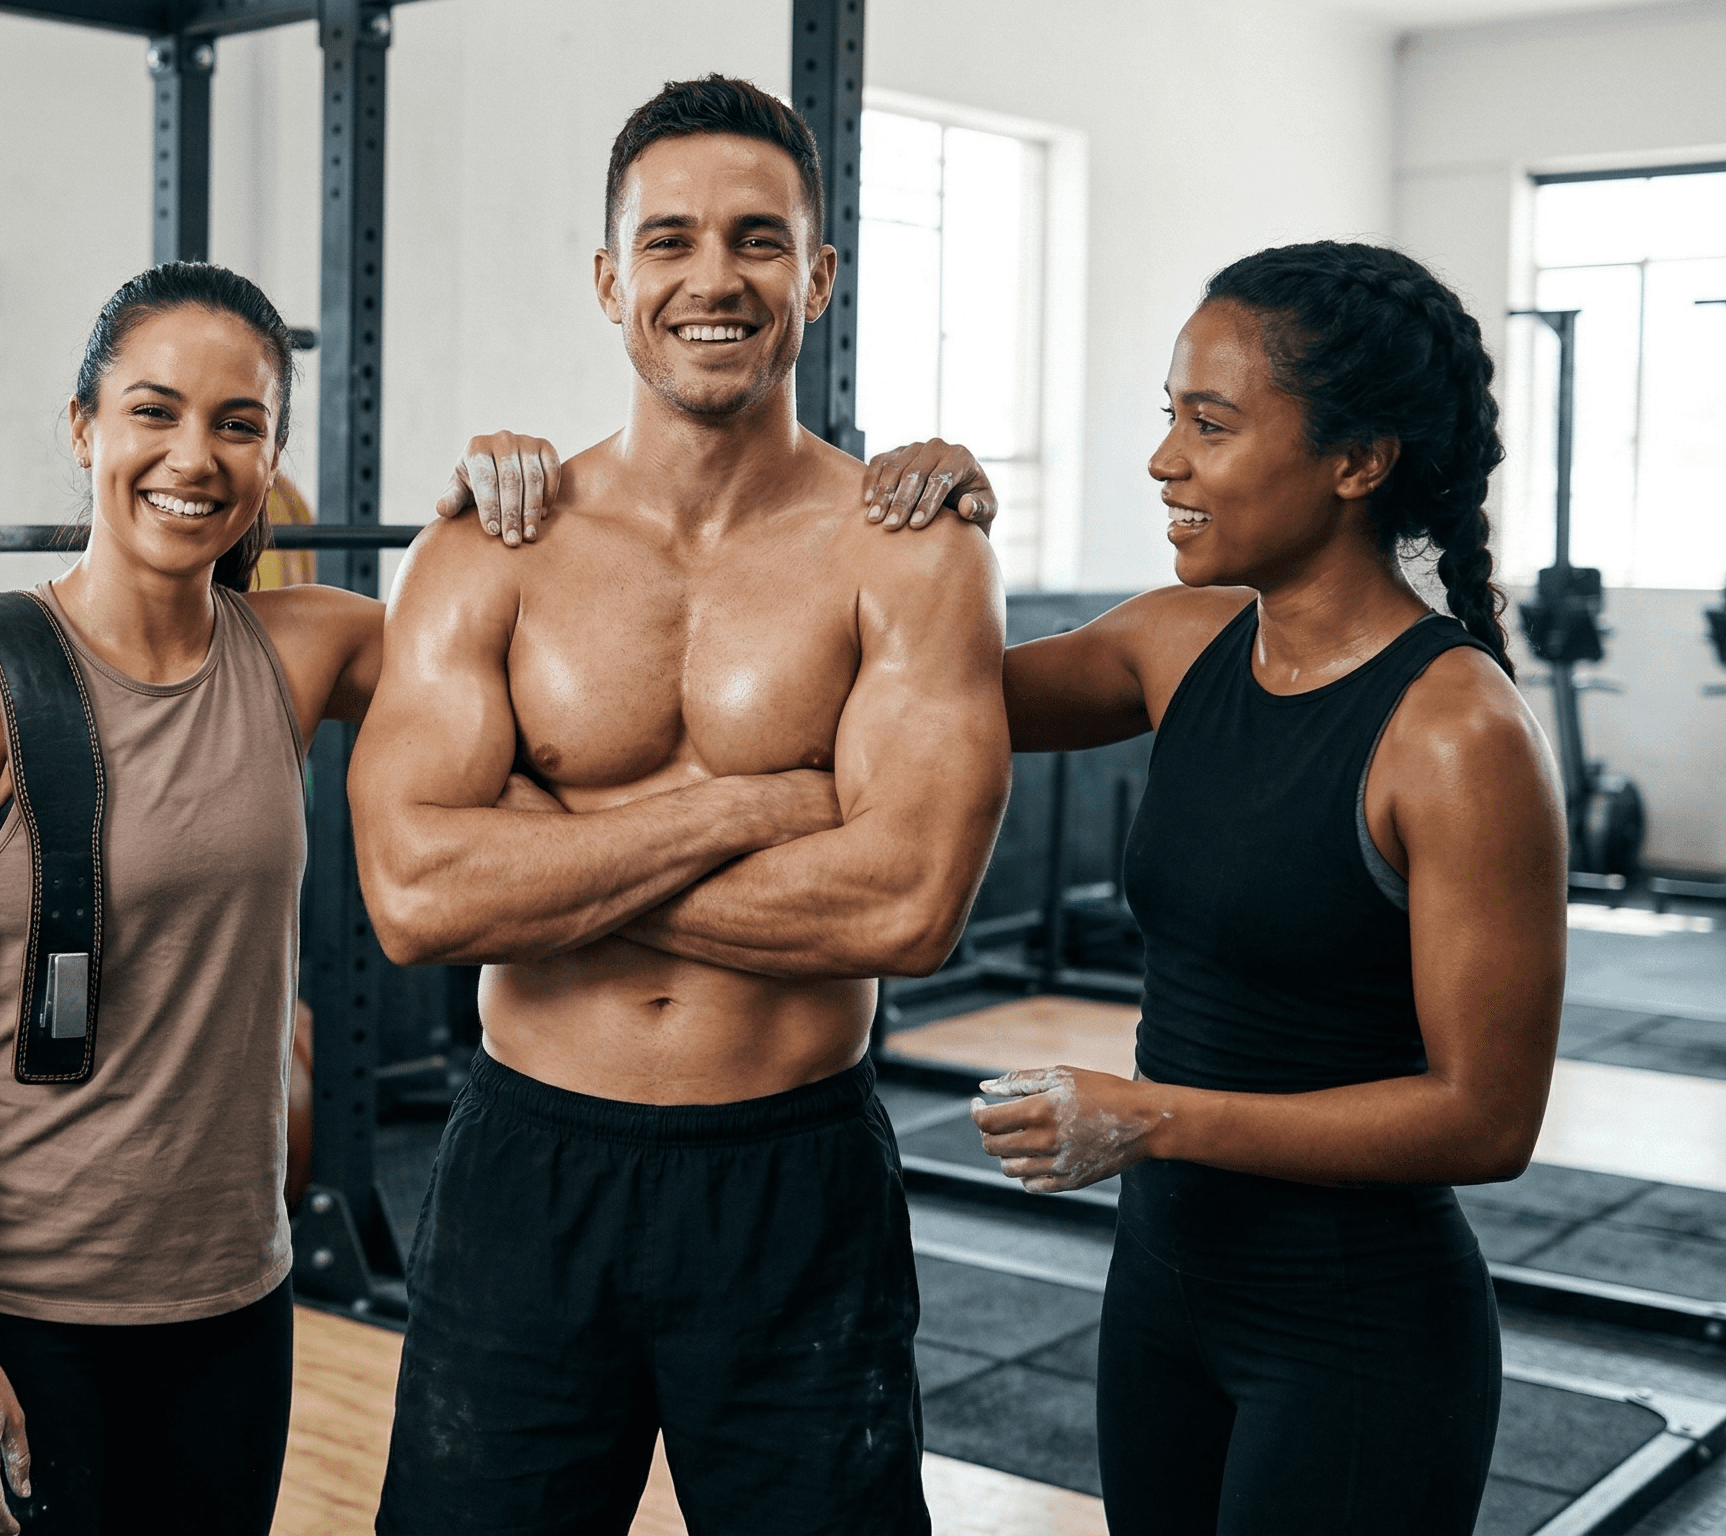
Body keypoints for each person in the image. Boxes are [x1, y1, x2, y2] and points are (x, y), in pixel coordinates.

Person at [347, 75, 1010, 1536]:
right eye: (668, 241)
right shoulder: (488, 550)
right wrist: (756, 808)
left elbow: (903, 906)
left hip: (791, 1174)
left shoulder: (904, 551)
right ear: (607, 279)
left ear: (818, 277)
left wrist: (541, 852)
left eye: (758, 240)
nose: (712, 278)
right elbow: (412, 900)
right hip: (530, 1168)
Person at [0, 261, 541, 1536]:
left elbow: (532, 660)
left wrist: (488, 506)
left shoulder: (303, 650)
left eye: (239, 423)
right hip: (13, 1312)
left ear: (273, 449)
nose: (196, 458)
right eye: (154, 412)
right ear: (84, 427)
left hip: (228, 1306)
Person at [955, 242, 1565, 1535]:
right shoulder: (1177, 645)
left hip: (1351, 1335)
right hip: (1161, 1299)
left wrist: (1146, 1120)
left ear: (1356, 462)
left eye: (1209, 423)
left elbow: (1482, 1121)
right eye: (1166, 415)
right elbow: (913, 701)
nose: (1162, 459)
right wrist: (915, 517)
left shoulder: (1453, 735)